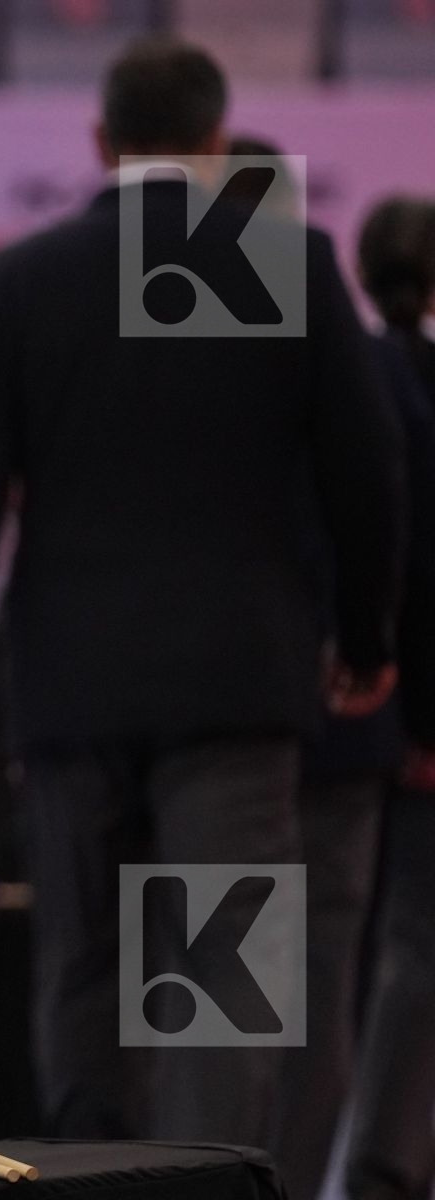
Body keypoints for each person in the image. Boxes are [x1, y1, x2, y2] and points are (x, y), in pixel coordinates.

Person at [0, 38, 404, 1148]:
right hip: (239, 681)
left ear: (99, 143)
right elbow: (368, 477)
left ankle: (91, 1187)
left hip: (71, 686)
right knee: (220, 982)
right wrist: (365, 639)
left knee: (81, 966)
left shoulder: (17, 281)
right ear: (218, 146)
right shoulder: (288, 261)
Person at [344, 195, 435, 1200]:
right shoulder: (396, 381)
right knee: (411, 947)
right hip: (403, 725)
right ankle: (382, 1169)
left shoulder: (352, 371)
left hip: (335, 721)